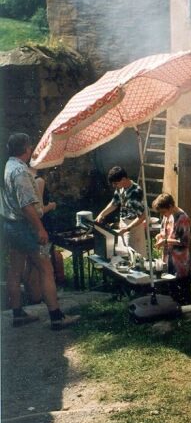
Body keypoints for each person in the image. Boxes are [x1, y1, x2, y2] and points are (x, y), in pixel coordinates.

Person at [2, 132, 79, 329]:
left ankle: (18, 315)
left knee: (15, 270)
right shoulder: (20, 172)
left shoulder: (9, 165)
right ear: (27, 150)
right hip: (24, 227)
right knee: (46, 269)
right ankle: (56, 318)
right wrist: (40, 229)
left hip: (10, 226)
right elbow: (27, 206)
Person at [95, 166, 147, 257]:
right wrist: (101, 214)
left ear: (123, 179)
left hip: (134, 226)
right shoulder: (120, 187)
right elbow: (114, 203)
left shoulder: (135, 192)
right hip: (124, 223)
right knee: (125, 254)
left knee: (136, 256)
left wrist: (128, 228)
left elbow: (142, 216)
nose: (114, 186)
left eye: (115, 183)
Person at [152, 192, 191, 307]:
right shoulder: (167, 216)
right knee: (171, 289)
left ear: (170, 206)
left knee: (183, 291)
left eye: (163, 212)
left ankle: (188, 314)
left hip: (180, 261)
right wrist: (160, 236)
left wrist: (165, 241)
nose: (163, 215)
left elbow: (184, 241)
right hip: (168, 258)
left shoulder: (183, 218)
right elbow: (164, 232)